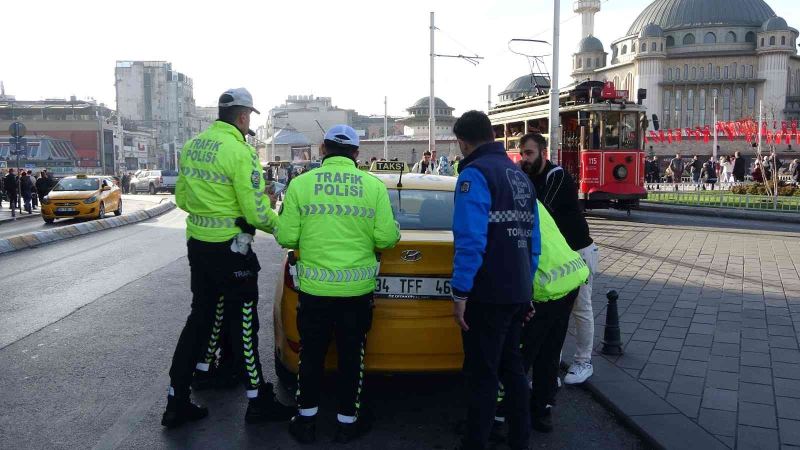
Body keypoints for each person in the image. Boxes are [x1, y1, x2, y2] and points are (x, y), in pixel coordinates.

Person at [163, 88, 294, 429]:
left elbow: (182, 199)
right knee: (246, 323)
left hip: (198, 245)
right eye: (249, 116)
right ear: (242, 117)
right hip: (232, 249)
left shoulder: (193, 147)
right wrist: (283, 232)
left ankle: (176, 399)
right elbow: (255, 209)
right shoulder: (240, 152)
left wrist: (210, 212)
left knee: (199, 320)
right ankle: (257, 399)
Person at [277, 125, 400, 444]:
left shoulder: (301, 185)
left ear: (322, 149)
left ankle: (306, 421)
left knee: (311, 355)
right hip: (356, 294)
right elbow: (386, 239)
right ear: (356, 153)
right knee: (351, 356)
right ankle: (347, 422)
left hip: (314, 292)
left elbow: (287, 237)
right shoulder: (373, 187)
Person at [450, 111, 540, 450]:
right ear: (491, 133)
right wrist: (525, 289)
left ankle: (475, 442)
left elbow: (470, 239)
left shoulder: (475, 175)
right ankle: (521, 439)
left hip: (485, 294)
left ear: (463, 142)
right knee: (512, 370)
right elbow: (534, 242)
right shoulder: (519, 176)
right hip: (516, 289)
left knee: (482, 375)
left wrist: (460, 292)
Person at [494, 200, 590, 435]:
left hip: (544, 288)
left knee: (517, 356)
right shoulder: (529, 195)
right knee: (549, 351)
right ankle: (542, 409)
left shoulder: (497, 202)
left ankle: (497, 416)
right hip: (570, 276)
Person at [518, 133, 597, 386]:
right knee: (553, 315)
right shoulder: (529, 177)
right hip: (558, 257)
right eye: (522, 154)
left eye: (529, 153)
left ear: (543, 152)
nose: (524, 159)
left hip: (578, 252)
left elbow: (541, 210)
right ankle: (550, 368)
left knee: (580, 308)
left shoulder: (557, 176)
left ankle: (584, 362)